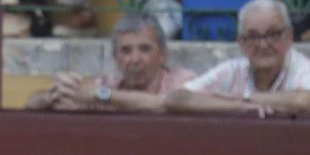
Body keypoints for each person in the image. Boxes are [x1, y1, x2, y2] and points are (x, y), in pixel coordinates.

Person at [164, 0, 310, 117]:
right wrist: (239, 106)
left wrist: (245, 97)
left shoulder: (305, 68)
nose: (263, 45)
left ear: (289, 37)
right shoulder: (232, 70)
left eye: (273, 34)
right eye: (253, 37)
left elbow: (305, 102)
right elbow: (176, 98)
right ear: (241, 43)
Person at [25, 13, 196, 113]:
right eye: (126, 51)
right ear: (115, 57)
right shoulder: (108, 84)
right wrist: (53, 95)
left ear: (162, 55)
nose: (135, 59)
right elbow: (31, 104)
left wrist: (102, 94)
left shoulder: (183, 81)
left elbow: (163, 104)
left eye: (145, 49)